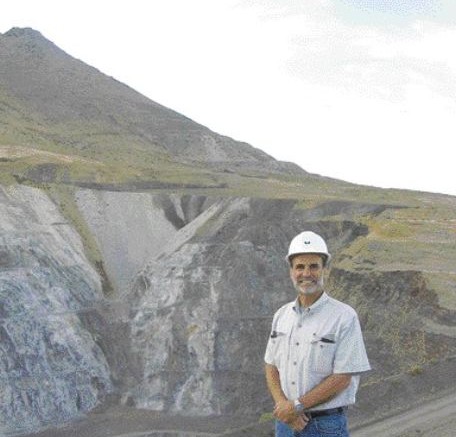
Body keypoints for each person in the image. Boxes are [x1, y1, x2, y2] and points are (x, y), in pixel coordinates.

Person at [264, 231, 371, 436]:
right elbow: (271, 365)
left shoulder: (344, 317)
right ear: (291, 272)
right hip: (285, 424)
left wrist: (296, 406)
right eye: (300, 267)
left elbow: (343, 377)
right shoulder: (281, 316)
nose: (306, 274)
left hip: (325, 426)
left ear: (324, 270)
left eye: (313, 266)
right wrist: (283, 406)